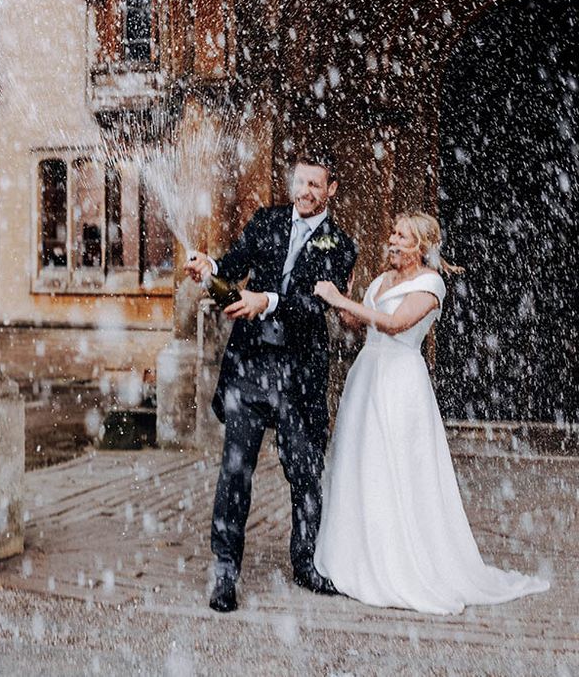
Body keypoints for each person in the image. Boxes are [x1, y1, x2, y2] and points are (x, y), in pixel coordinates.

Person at [312, 212, 550, 615]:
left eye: (401, 235)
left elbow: (394, 323)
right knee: (361, 464)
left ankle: (404, 561)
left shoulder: (431, 284)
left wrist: (342, 299)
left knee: (399, 468)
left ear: (420, 246)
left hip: (400, 382)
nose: (391, 239)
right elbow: (359, 325)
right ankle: (358, 555)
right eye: (392, 232)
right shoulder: (380, 280)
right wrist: (342, 304)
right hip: (366, 377)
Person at [185, 148, 357, 612]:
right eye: (300, 183)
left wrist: (269, 300)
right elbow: (235, 260)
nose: (304, 192)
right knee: (235, 471)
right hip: (250, 368)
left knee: (304, 474)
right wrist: (212, 268)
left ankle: (306, 562)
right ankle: (225, 570)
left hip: (299, 375)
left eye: (315, 185)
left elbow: (314, 304)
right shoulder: (266, 220)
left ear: (331, 190)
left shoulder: (341, 246)